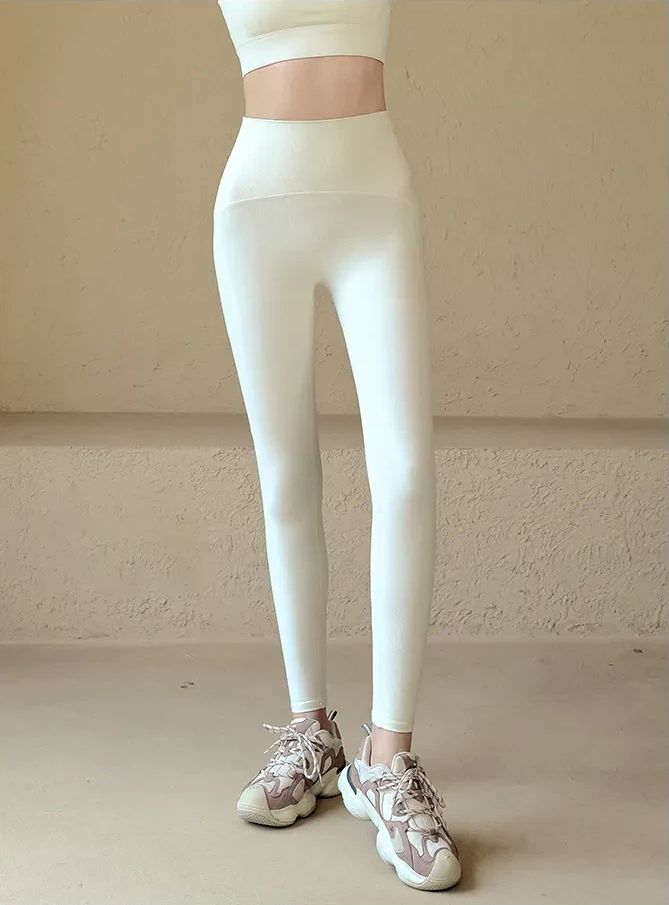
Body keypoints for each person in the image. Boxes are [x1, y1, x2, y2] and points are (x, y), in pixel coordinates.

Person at [212, 0, 461, 891]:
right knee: (286, 476)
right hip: (255, 211)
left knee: (405, 474)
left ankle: (385, 761)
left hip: (371, 205)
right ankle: (309, 730)